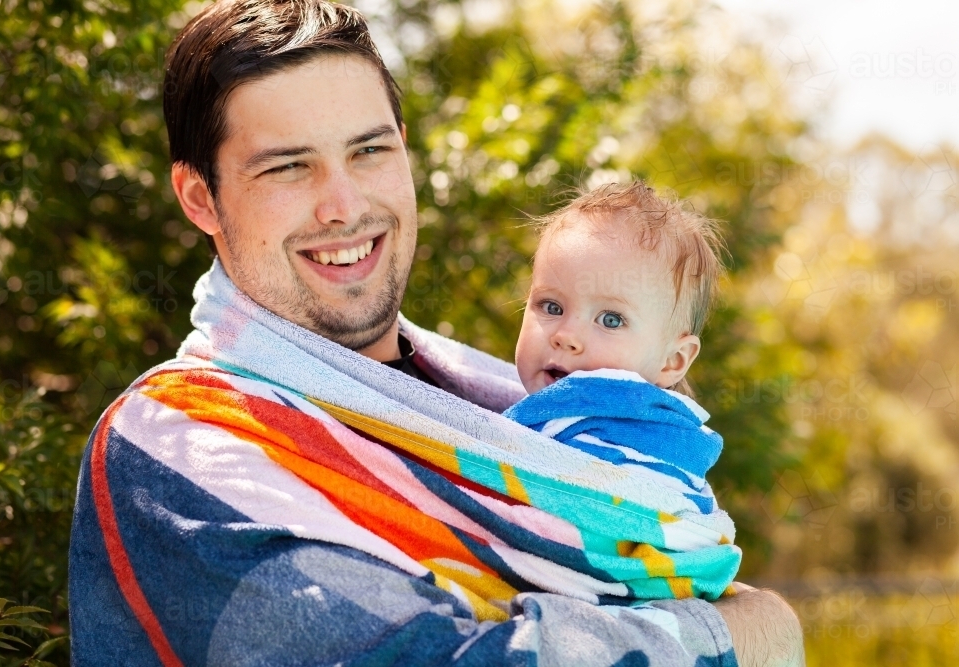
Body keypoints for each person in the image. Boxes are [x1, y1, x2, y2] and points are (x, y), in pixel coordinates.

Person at [67, 1, 805, 665]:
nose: (343, 204)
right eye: (290, 167)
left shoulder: (501, 403)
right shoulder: (174, 444)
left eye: (369, 150)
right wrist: (748, 632)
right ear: (201, 198)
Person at [505, 182, 728, 527]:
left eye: (611, 320)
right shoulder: (549, 420)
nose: (566, 336)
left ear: (674, 360)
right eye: (551, 306)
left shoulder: (643, 456)